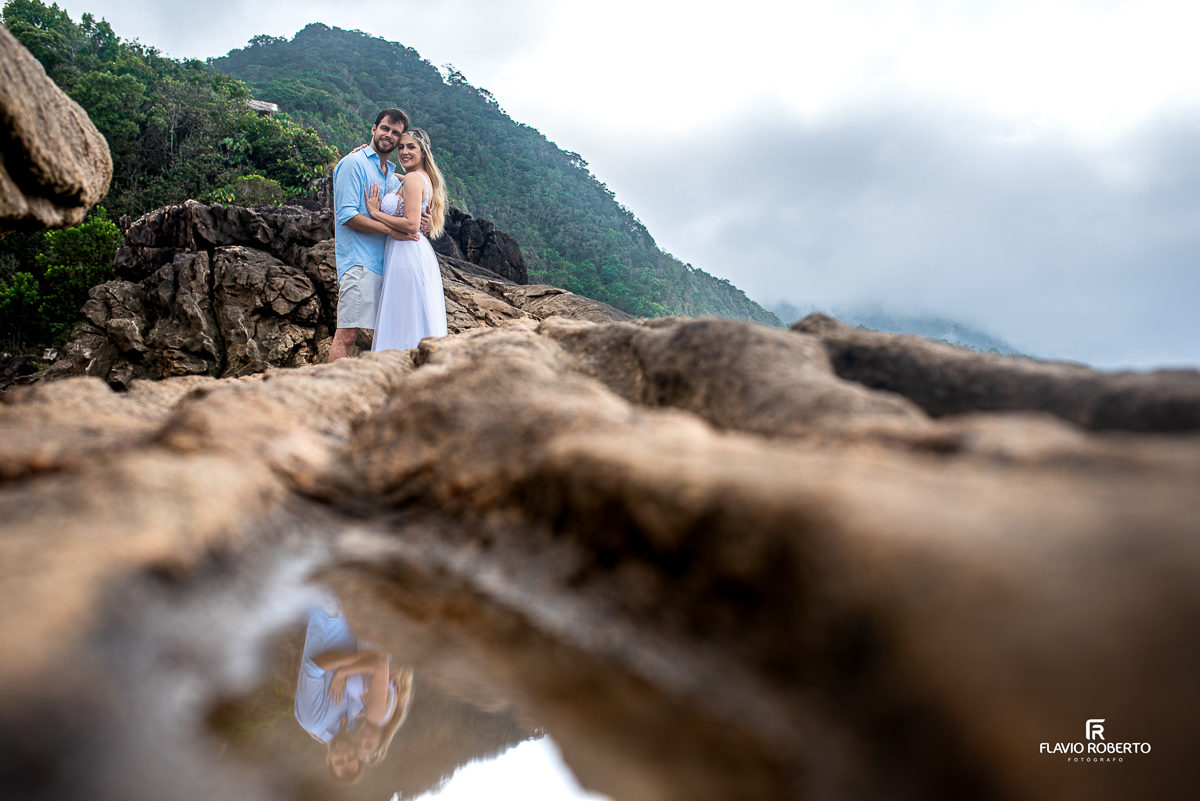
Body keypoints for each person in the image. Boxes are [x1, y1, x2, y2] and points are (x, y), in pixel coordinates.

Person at [327, 108, 431, 362]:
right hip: (360, 262)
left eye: (396, 133)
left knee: (387, 335)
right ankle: (330, 389)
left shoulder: (390, 174)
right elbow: (347, 215)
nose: (389, 136)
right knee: (348, 334)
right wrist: (395, 232)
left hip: (388, 264)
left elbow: (409, 207)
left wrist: (422, 222)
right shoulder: (354, 163)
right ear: (374, 129)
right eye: (385, 128)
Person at [294, 607, 414, 784]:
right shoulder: (355, 709)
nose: (344, 755)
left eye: (339, 762)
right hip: (358, 617)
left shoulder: (313, 721)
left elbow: (313, 668)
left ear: (329, 760)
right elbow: (384, 678)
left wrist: (359, 662)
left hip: (331, 616)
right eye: (351, 758)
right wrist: (394, 673)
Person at [363, 127, 449, 352]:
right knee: (412, 315)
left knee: (403, 316)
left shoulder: (413, 178)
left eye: (411, 147)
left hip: (405, 252)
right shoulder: (421, 178)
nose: (404, 152)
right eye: (401, 147)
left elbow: (411, 223)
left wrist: (376, 213)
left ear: (423, 151)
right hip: (413, 251)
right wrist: (367, 152)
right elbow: (397, 179)